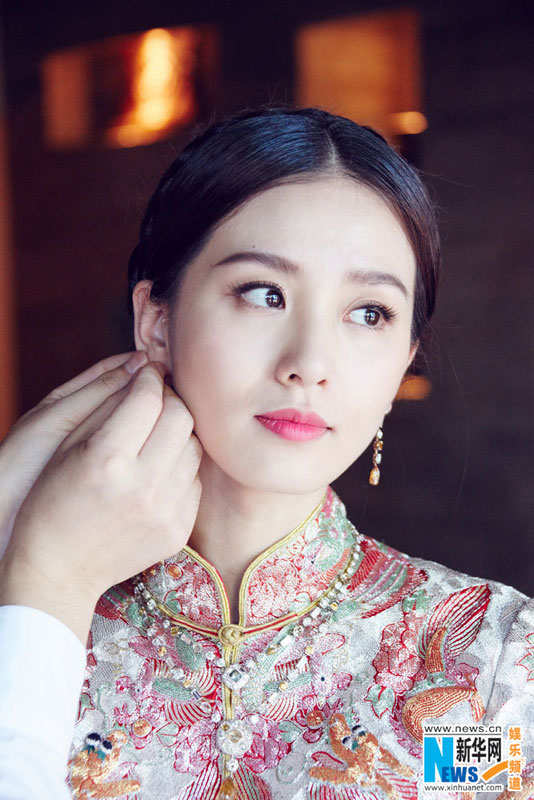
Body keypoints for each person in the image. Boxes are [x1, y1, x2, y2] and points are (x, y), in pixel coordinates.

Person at [0, 106, 532, 800]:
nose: (310, 362)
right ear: (157, 324)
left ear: (402, 362)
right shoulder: (31, 620)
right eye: (263, 293)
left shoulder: (485, 665)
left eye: (369, 312)